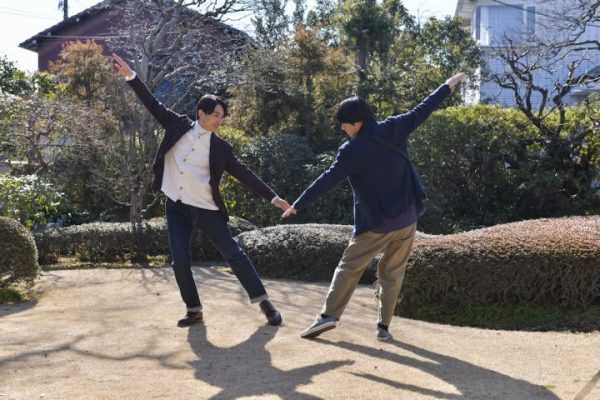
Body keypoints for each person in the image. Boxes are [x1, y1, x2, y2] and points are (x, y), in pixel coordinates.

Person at [282, 73, 466, 341]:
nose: (342, 129)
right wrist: (448, 86)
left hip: (376, 224)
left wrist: (298, 205)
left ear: (357, 122)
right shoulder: (394, 127)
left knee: (349, 267)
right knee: (393, 273)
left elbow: (327, 179)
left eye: (344, 124)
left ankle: (328, 316)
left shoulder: (351, 150)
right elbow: (424, 108)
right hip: (407, 218)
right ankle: (384, 327)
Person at [113, 53, 289, 327]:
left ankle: (264, 302)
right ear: (201, 113)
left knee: (234, 254)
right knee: (179, 260)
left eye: (222, 116)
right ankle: (193, 309)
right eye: (216, 115)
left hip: (207, 209)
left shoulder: (221, 148)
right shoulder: (176, 125)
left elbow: (243, 173)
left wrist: (273, 197)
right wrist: (131, 77)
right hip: (176, 206)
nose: (220, 120)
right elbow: (152, 103)